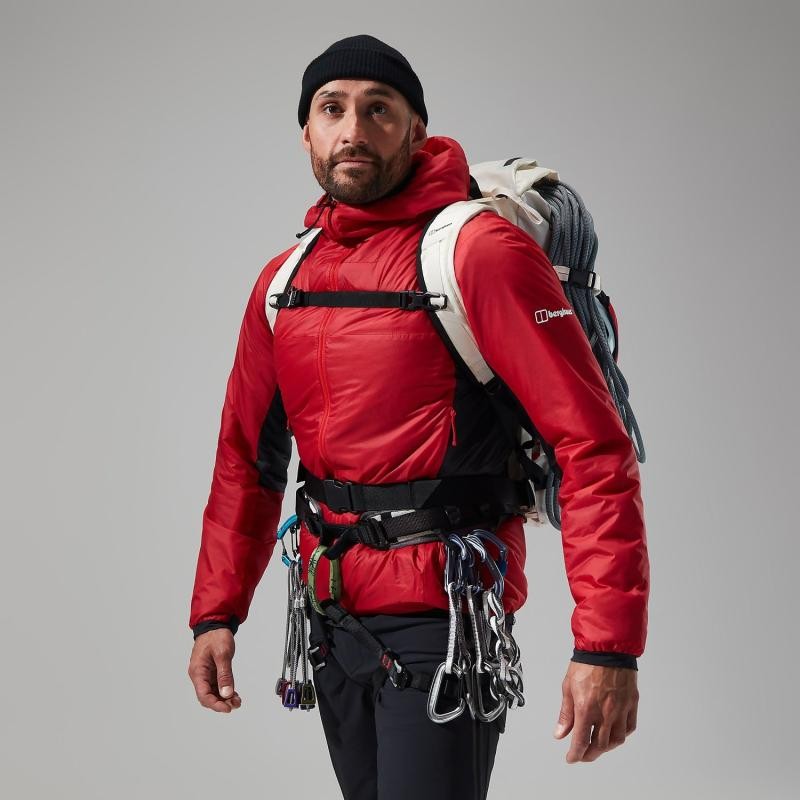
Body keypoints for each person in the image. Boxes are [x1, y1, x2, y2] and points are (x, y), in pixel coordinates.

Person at [187, 34, 649, 799]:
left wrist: (608, 646)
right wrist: (216, 613)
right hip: (331, 616)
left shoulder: (478, 254)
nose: (353, 130)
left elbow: (593, 446)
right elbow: (247, 458)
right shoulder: (283, 282)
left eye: (379, 110)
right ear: (306, 133)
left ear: (416, 130)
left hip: (447, 618)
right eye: (332, 109)